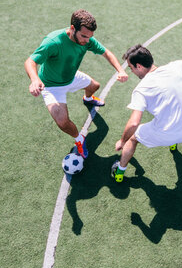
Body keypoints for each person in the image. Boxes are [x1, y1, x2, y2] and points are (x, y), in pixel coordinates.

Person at [25, 9, 128, 158]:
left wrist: (120, 70)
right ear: (73, 28)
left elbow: (106, 53)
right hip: (51, 85)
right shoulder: (54, 41)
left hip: (71, 76)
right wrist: (35, 80)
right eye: (84, 36)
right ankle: (79, 139)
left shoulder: (87, 39)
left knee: (95, 86)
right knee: (62, 122)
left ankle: (87, 98)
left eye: (90, 37)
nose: (87, 41)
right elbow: (30, 61)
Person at [112, 44, 182, 182]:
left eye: (131, 68)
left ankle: (119, 171)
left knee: (133, 139)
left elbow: (134, 123)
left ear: (139, 66)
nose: (132, 71)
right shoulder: (176, 67)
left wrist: (122, 140)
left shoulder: (141, 89)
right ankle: (174, 144)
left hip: (167, 134)